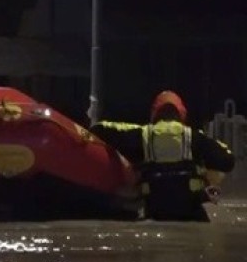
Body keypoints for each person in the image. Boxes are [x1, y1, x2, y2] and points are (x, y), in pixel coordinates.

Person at [89, 90, 235, 222]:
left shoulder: (142, 134)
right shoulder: (195, 138)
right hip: (190, 211)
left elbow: (99, 129)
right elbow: (228, 161)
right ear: (182, 114)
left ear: (155, 113)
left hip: (155, 210)